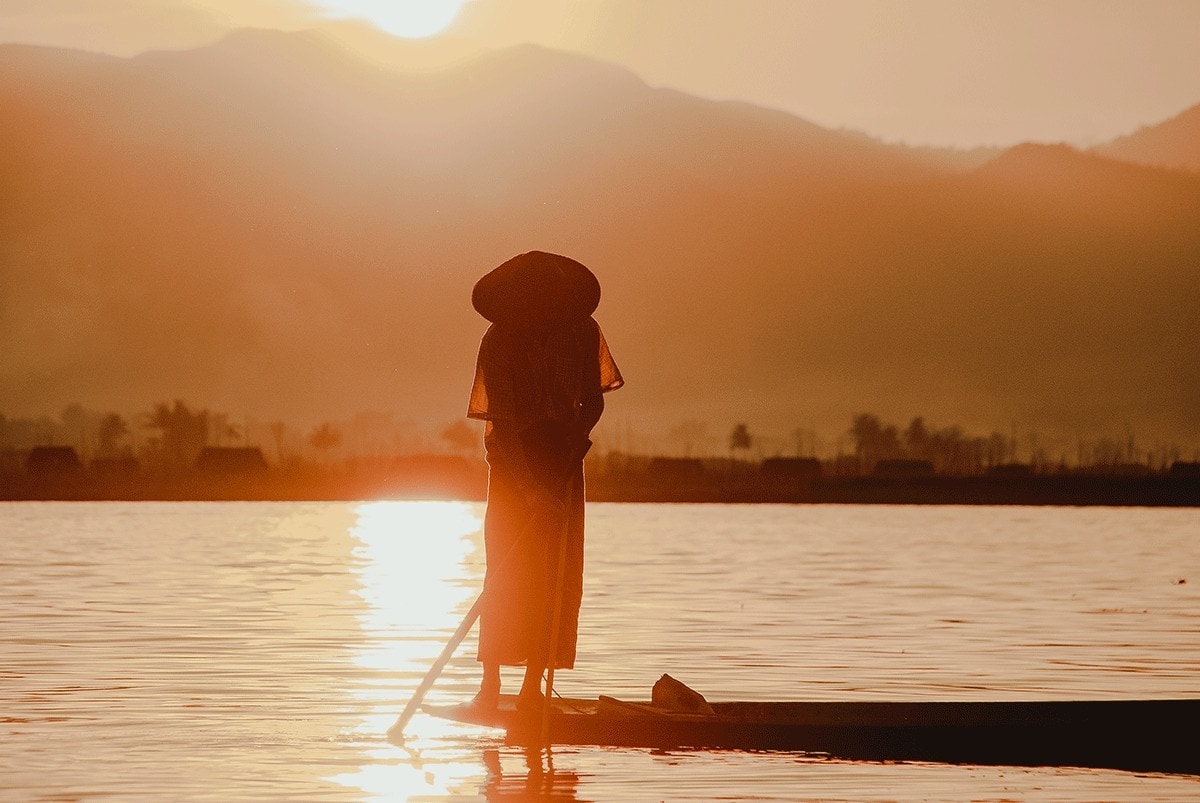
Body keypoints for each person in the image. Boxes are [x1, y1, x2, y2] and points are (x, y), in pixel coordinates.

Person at [466, 251, 623, 710]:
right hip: (514, 461)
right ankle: (489, 685)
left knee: (554, 573)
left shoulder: (581, 331)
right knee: (505, 570)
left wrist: (573, 445)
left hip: (563, 458)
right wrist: (532, 489)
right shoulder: (499, 342)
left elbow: (594, 401)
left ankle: (533, 685)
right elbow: (503, 425)